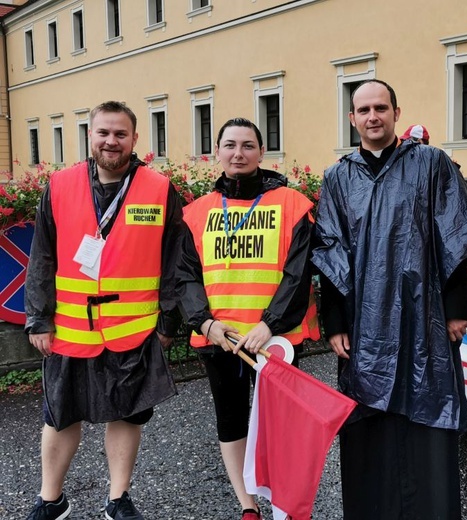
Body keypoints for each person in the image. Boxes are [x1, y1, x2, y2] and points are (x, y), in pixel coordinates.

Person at [312, 79, 467, 519]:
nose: (373, 116)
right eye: (364, 110)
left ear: (396, 112)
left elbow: (456, 239)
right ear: (352, 118)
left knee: (426, 406)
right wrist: (335, 321)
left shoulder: (431, 165)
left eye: (381, 108)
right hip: (362, 322)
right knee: (367, 414)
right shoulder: (337, 177)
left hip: (424, 313)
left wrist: (456, 310)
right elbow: (329, 251)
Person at [24, 101, 185, 520]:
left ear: (135, 139)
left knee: (127, 414)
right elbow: (40, 257)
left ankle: (118, 498)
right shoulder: (59, 186)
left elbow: (175, 261)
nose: (111, 141)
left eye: (120, 134)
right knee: (60, 416)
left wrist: (168, 320)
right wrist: (38, 317)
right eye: (103, 133)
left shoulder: (159, 189)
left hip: (134, 327)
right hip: (69, 329)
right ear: (90, 136)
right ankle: (51, 499)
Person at [176, 117, 319, 520]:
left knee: (281, 425)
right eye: (230, 145)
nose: (238, 153)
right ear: (217, 152)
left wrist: (268, 325)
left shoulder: (293, 204)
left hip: (276, 338)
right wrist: (205, 324)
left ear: (262, 152)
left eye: (248, 145)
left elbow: (299, 273)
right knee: (232, 420)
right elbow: (185, 276)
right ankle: (248, 504)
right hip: (221, 337)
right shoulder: (195, 213)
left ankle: (284, 502)